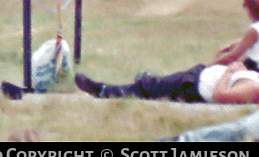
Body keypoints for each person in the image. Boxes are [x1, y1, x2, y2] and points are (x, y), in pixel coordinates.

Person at [75, 63, 259, 104]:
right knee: (151, 87)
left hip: (193, 86)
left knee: (144, 88)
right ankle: (149, 80)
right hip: (197, 77)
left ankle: (102, 91)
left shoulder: (253, 88)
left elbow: (220, 95)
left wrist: (228, 72)